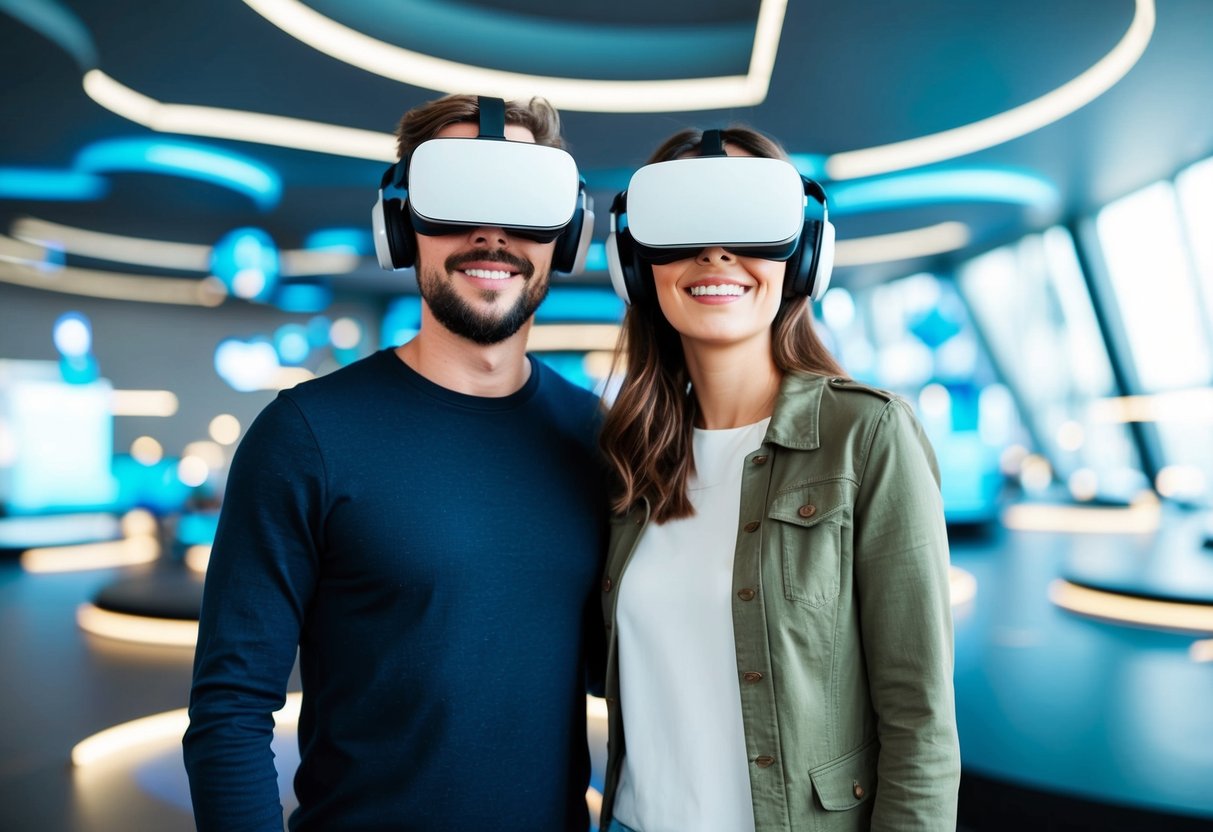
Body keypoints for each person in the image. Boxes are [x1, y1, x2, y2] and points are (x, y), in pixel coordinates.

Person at [183, 94, 608, 831]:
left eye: (522, 205)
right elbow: (230, 708)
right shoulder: (306, 434)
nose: (490, 235)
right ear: (401, 224)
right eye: (456, 201)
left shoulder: (597, 438)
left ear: (566, 235)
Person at [596, 126, 961, 831]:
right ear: (636, 265)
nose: (714, 252)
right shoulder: (627, 457)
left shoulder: (867, 435)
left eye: (747, 221)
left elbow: (920, 724)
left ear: (803, 255)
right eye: (683, 225)